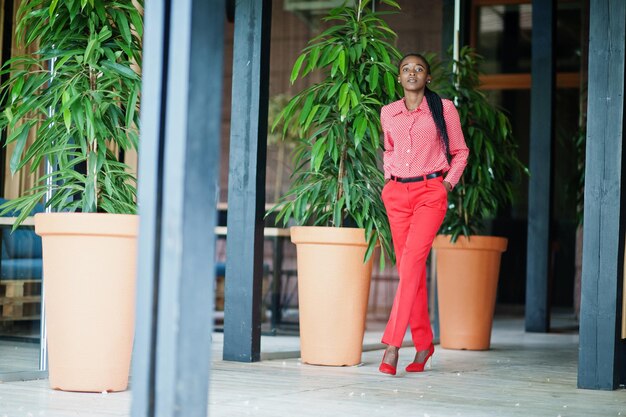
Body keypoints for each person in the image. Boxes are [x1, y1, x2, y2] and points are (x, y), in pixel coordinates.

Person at [378, 53, 469, 376]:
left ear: (428, 77)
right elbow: (389, 149)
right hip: (396, 194)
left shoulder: (443, 109)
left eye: (418, 68)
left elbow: (461, 151)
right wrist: (388, 182)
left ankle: (392, 345)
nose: (412, 73)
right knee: (408, 270)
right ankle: (424, 344)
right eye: (405, 69)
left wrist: (446, 185)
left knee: (413, 262)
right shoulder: (388, 112)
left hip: (431, 192)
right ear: (399, 78)